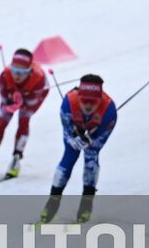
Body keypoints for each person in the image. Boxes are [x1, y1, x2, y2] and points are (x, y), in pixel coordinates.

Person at [39, 74, 116, 224]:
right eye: (84, 101)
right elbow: (66, 131)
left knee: (91, 160)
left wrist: (90, 141)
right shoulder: (68, 102)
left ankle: (86, 204)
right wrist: (74, 139)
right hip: (76, 132)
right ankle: (52, 204)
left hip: (95, 134)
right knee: (68, 158)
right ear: (78, 96)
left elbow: (100, 140)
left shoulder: (109, 111)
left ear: (100, 100)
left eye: (92, 102)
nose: (88, 106)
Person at [0, 48, 51, 179]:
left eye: (22, 72)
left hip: (34, 96)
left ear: (30, 71)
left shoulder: (39, 79)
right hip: (13, 95)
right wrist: (10, 101)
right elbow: (4, 99)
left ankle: (16, 158)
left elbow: (31, 104)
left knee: (24, 120)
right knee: (2, 121)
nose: (17, 75)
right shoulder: (5, 76)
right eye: (14, 70)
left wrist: (21, 101)